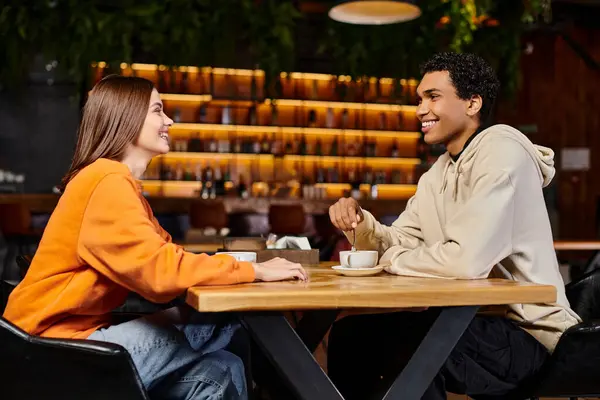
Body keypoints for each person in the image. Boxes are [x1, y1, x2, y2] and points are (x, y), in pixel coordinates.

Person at [3, 75, 307, 400]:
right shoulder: (106, 181)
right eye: (158, 110)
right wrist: (255, 271)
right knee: (221, 329)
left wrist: (233, 273)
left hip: (72, 340)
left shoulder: (119, 187)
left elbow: (167, 261)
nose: (169, 120)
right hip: (51, 353)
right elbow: (161, 274)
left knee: (224, 366)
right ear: (128, 116)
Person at [327, 52, 581, 399]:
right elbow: (402, 238)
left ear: (472, 103)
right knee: (352, 336)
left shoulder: (503, 153)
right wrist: (361, 223)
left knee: (416, 350)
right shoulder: (440, 172)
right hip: (471, 320)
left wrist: (393, 259)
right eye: (419, 99)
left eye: (433, 97)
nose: (420, 109)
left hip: (531, 334)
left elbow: (466, 263)